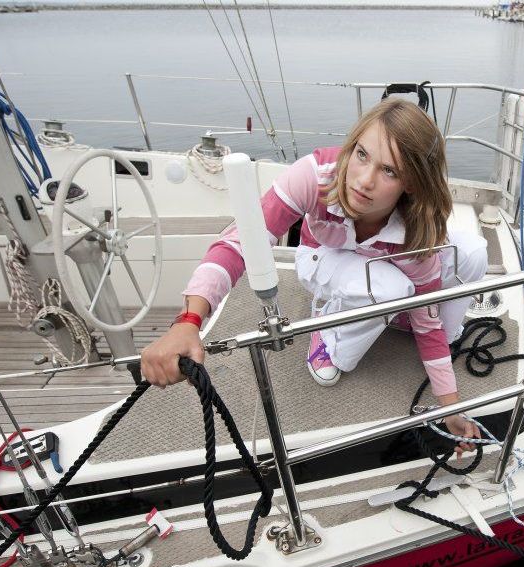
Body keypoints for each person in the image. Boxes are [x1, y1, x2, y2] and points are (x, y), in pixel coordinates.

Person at [141, 98, 487, 455]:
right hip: (322, 255)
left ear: (412, 183)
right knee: (389, 288)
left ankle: (388, 314)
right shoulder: (315, 175)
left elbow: (426, 318)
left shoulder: (416, 232)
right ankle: (326, 339)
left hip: (379, 262)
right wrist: (189, 321)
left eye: (389, 171)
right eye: (362, 155)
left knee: (471, 252)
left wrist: (451, 408)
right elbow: (240, 241)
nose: (364, 181)